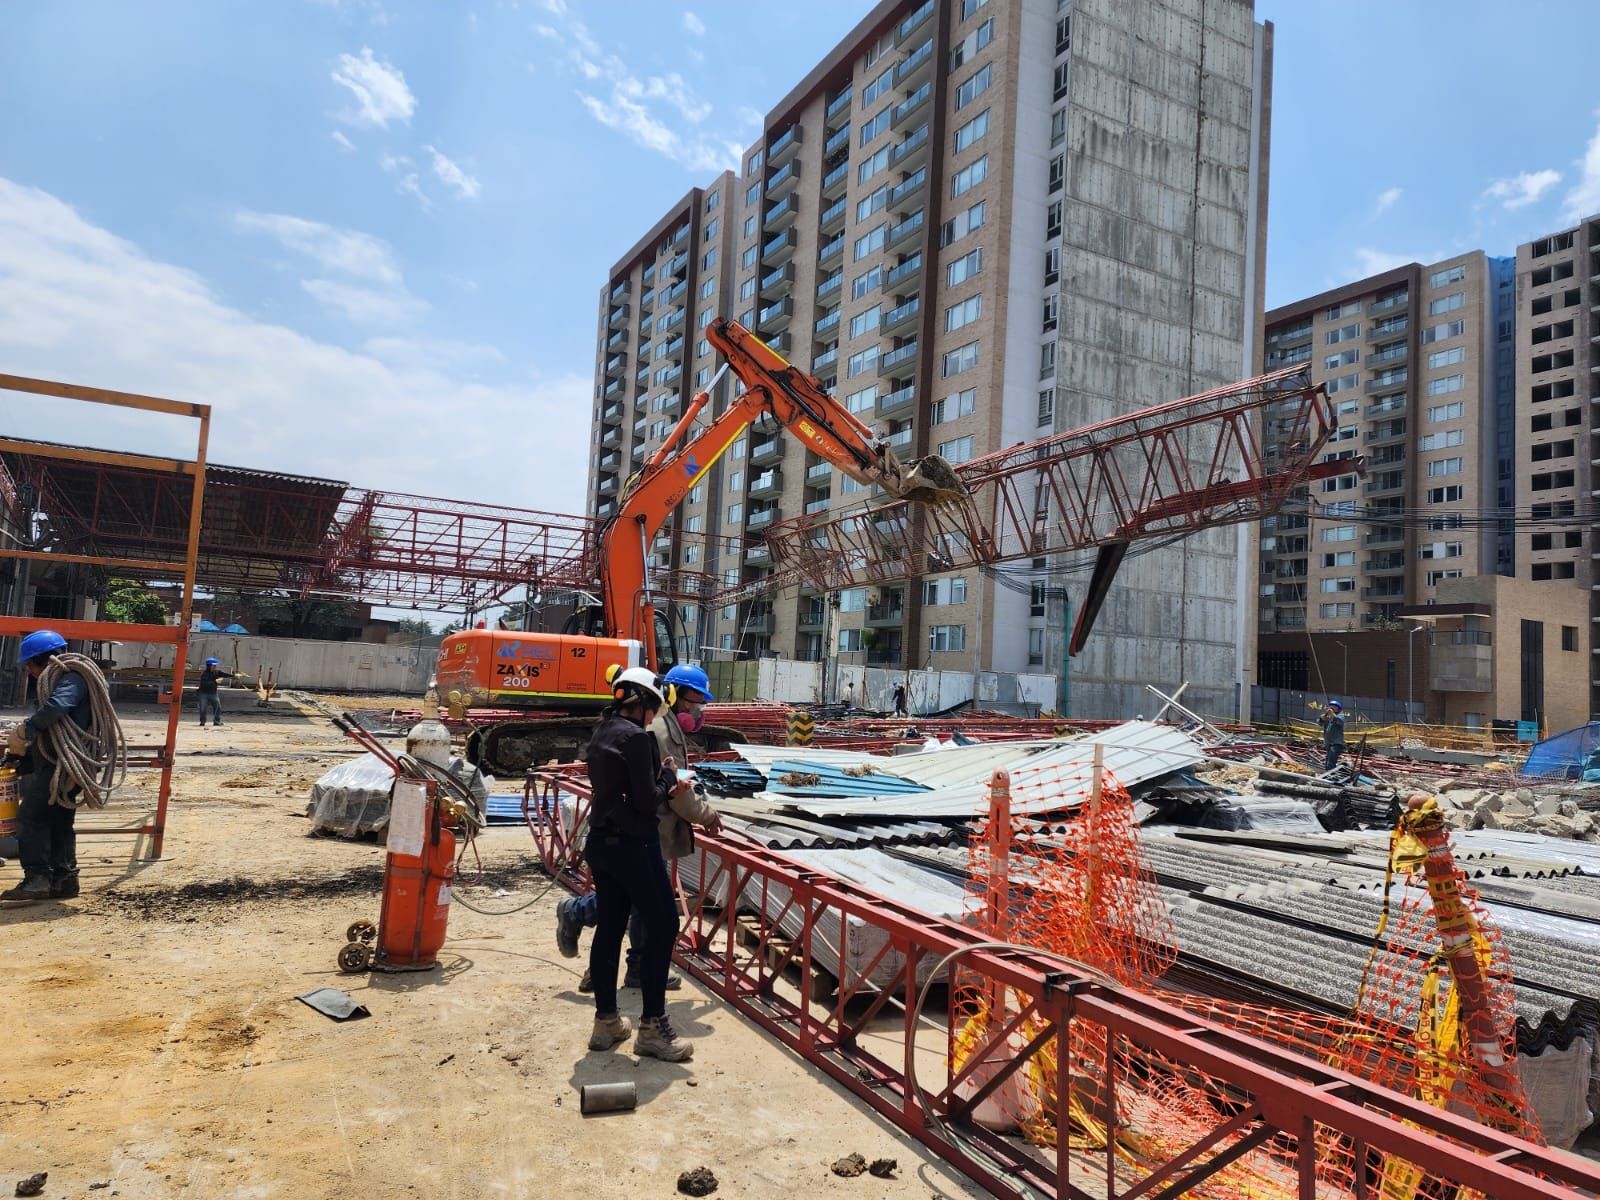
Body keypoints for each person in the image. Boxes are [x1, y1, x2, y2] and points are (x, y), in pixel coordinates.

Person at [581, 666, 695, 1061]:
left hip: (601, 843)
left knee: (610, 928)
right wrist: (669, 779)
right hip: (635, 846)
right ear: (646, 703)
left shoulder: (603, 731)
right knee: (664, 924)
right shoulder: (638, 739)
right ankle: (652, 1027)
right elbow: (648, 801)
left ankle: (606, 1021)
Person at [3, 630, 90, 903]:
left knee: (30, 817)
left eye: (30, 664)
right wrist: (21, 759)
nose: (28, 671)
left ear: (44, 660)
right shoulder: (66, 679)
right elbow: (51, 732)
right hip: (62, 763)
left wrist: (25, 730)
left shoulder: (71, 679)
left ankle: (37, 878)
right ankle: (64, 881)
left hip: (63, 765)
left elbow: (56, 709)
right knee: (59, 821)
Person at [196, 657, 236, 728]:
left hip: (213, 693)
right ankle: (202, 721)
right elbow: (204, 684)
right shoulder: (204, 674)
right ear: (208, 666)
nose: (214, 667)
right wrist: (215, 682)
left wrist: (234, 676)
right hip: (203, 693)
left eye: (215, 666)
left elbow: (224, 674)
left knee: (217, 707)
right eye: (213, 666)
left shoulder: (216, 672)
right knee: (203, 708)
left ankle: (216, 722)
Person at [1319, 700, 1347, 772]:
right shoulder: (1328, 718)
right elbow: (1320, 723)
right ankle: (1327, 775)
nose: (1332, 708)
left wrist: (1331, 713)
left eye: (1334, 707)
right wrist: (1324, 716)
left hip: (1336, 743)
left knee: (1331, 762)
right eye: (1331, 706)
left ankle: (1330, 776)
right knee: (1327, 761)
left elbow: (1337, 720)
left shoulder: (1340, 716)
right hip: (1329, 743)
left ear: (1338, 709)